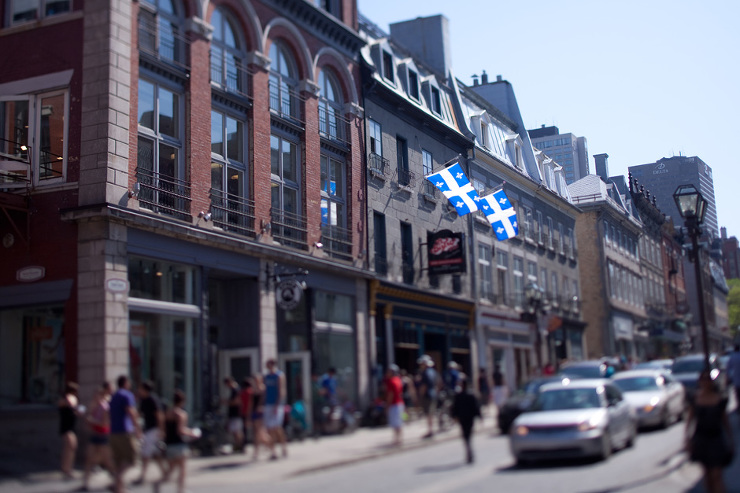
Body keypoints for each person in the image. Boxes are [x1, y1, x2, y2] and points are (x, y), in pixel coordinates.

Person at [685, 369, 735, 493]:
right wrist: (687, 439)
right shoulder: (695, 399)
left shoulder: (719, 399)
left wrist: (730, 440)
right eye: (704, 379)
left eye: (708, 379)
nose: (706, 382)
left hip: (716, 439)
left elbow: (725, 421)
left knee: (717, 474)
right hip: (701, 439)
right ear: (700, 382)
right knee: (707, 474)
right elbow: (690, 420)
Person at [159, 390, 199, 493]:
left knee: (170, 471)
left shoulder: (167, 414)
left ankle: (157, 485)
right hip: (179, 445)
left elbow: (163, 430)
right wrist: (192, 433)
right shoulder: (181, 414)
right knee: (182, 470)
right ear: (182, 402)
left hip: (169, 445)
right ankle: (181, 491)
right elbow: (180, 430)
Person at [109, 375, 141, 493]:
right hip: (125, 431)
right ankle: (117, 481)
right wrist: (137, 429)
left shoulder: (113, 396)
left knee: (119, 461)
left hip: (113, 432)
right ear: (126, 383)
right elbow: (131, 412)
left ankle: (119, 488)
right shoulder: (127, 395)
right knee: (132, 459)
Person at [81, 382, 115, 492]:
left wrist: (92, 421)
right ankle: (85, 483)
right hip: (95, 434)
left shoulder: (105, 407)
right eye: (94, 395)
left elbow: (105, 423)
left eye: (97, 395)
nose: (95, 397)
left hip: (104, 435)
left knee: (107, 461)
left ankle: (116, 481)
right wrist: (88, 419)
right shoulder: (94, 406)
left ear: (101, 395)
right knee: (89, 458)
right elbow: (90, 420)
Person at [133, 380, 164, 486]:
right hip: (148, 429)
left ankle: (142, 476)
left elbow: (159, 415)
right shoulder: (143, 400)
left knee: (145, 453)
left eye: (140, 388)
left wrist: (161, 429)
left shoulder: (152, 400)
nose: (139, 390)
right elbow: (139, 414)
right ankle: (164, 472)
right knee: (155, 453)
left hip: (153, 429)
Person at [451, 376, 481, 464]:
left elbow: (454, 408)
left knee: (465, 435)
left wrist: (454, 416)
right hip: (469, 418)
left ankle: (469, 450)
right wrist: (479, 416)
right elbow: (476, 407)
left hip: (463, 418)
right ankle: (469, 450)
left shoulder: (459, 396)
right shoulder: (471, 395)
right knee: (468, 435)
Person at [263, 359, 288, 459]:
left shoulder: (279, 375)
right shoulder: (266, 377)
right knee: (269, 428)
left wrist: (277, 404)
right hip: (267, 404)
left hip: (276, 404)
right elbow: (265, 391)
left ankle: (283, 447)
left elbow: (281, 390)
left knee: (277, 427)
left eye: (269, 364)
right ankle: (273, 452)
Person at [58, 381, 80, 479]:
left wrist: (77, 410)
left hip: (71, 426)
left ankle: (66, 468)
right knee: (71, 445)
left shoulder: (74, 399)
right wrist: (70, 403)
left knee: (70, 447)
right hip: (66, 426)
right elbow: (63, 406)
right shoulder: (64, 400)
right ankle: (66, 469)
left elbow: (75, 412)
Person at [249, 373, 272, 460]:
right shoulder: (253, 390)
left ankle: (258, 451)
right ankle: (268, 447)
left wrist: (263, 407)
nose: (255, 381)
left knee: (259, 432)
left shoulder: (263, 388)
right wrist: (249, 414)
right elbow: (251, 403)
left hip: (261, 412)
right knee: (258, 433)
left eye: (257, 379)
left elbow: (265, 400)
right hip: (255, 412)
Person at [416, 355, 438, 439]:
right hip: (433, 394)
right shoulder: (433, 372)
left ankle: (430, 431)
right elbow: (438, 383)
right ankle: (431, 430)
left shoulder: (424, 373)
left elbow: (423, 386)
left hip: (427, 395)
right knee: (431, 413)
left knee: (428, 414)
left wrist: (420, 396)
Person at [385, 364, 404, 446]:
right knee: (400, 422)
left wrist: (387, 406)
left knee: (395, 423)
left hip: (394, 404)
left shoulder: (391, 381)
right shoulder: (398, 380)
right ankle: (400, 438)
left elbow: (390, 394)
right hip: (400, 404)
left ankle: (396, 440)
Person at [223, 376, 243, 453]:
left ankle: (239, 445)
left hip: (236, 413)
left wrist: (226, 402)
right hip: (233, 413)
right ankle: (237, 445)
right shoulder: (234, 390)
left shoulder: (236, 390)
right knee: (235, 430)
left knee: (236, 430)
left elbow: (236, 401)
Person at [240, 377, 253, 455]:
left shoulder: (242, 393)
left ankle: (243, 446)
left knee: (244, 430)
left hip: (243, 412)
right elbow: (250, 404)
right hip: (249, 413)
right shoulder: (250, 392)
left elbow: (241, 403)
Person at [728, 344, 740, 414]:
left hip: (736, 379)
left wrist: (728, 377)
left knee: (738, 394)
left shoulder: (732, 357)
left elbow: (728, 368)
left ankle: (738, 406)